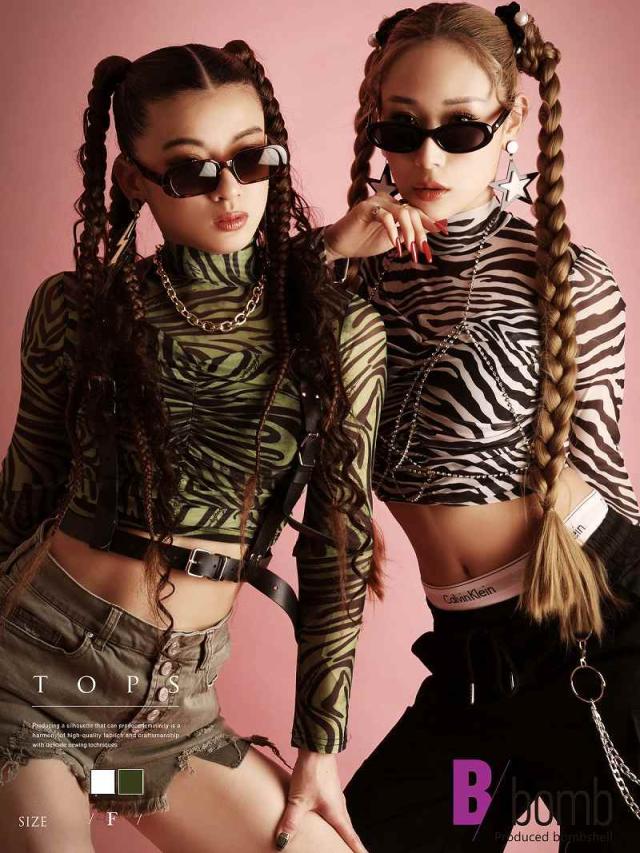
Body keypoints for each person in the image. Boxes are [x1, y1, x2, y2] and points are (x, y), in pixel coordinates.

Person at [0, 41, 386, 853]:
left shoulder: (337, 332)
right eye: (190, 171)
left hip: (169, 718)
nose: (230, 191)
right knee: (51, 838)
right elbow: (24, 492)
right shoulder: (79, 308)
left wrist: (320, 747)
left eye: (251, 159)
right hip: (32, 673)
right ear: (133, 179)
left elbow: (338, 546)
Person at [320, 3, 640, 850]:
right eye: (402, 128)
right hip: (472, 671)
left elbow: (603, 470)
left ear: (512, 122)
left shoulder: (566, 279)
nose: (428, 158)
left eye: (461, 130)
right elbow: (226, 374)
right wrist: (325, 254)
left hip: (593, 633)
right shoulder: (345, 277)